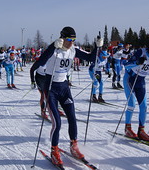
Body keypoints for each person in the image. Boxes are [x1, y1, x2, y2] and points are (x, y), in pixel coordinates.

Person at [32, 26, 103, 166]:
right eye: (69, 39)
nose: (71, 42)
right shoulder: (55, 50)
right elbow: (39, 62)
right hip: (51, 88)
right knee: (57, 123)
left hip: (64, 88)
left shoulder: (73, 50)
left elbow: (90, 58)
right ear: (62, 38)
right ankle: (54, 150)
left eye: (74, 40)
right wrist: (53, 46)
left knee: (72, 117)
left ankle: (73, 145)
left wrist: (97, 47)